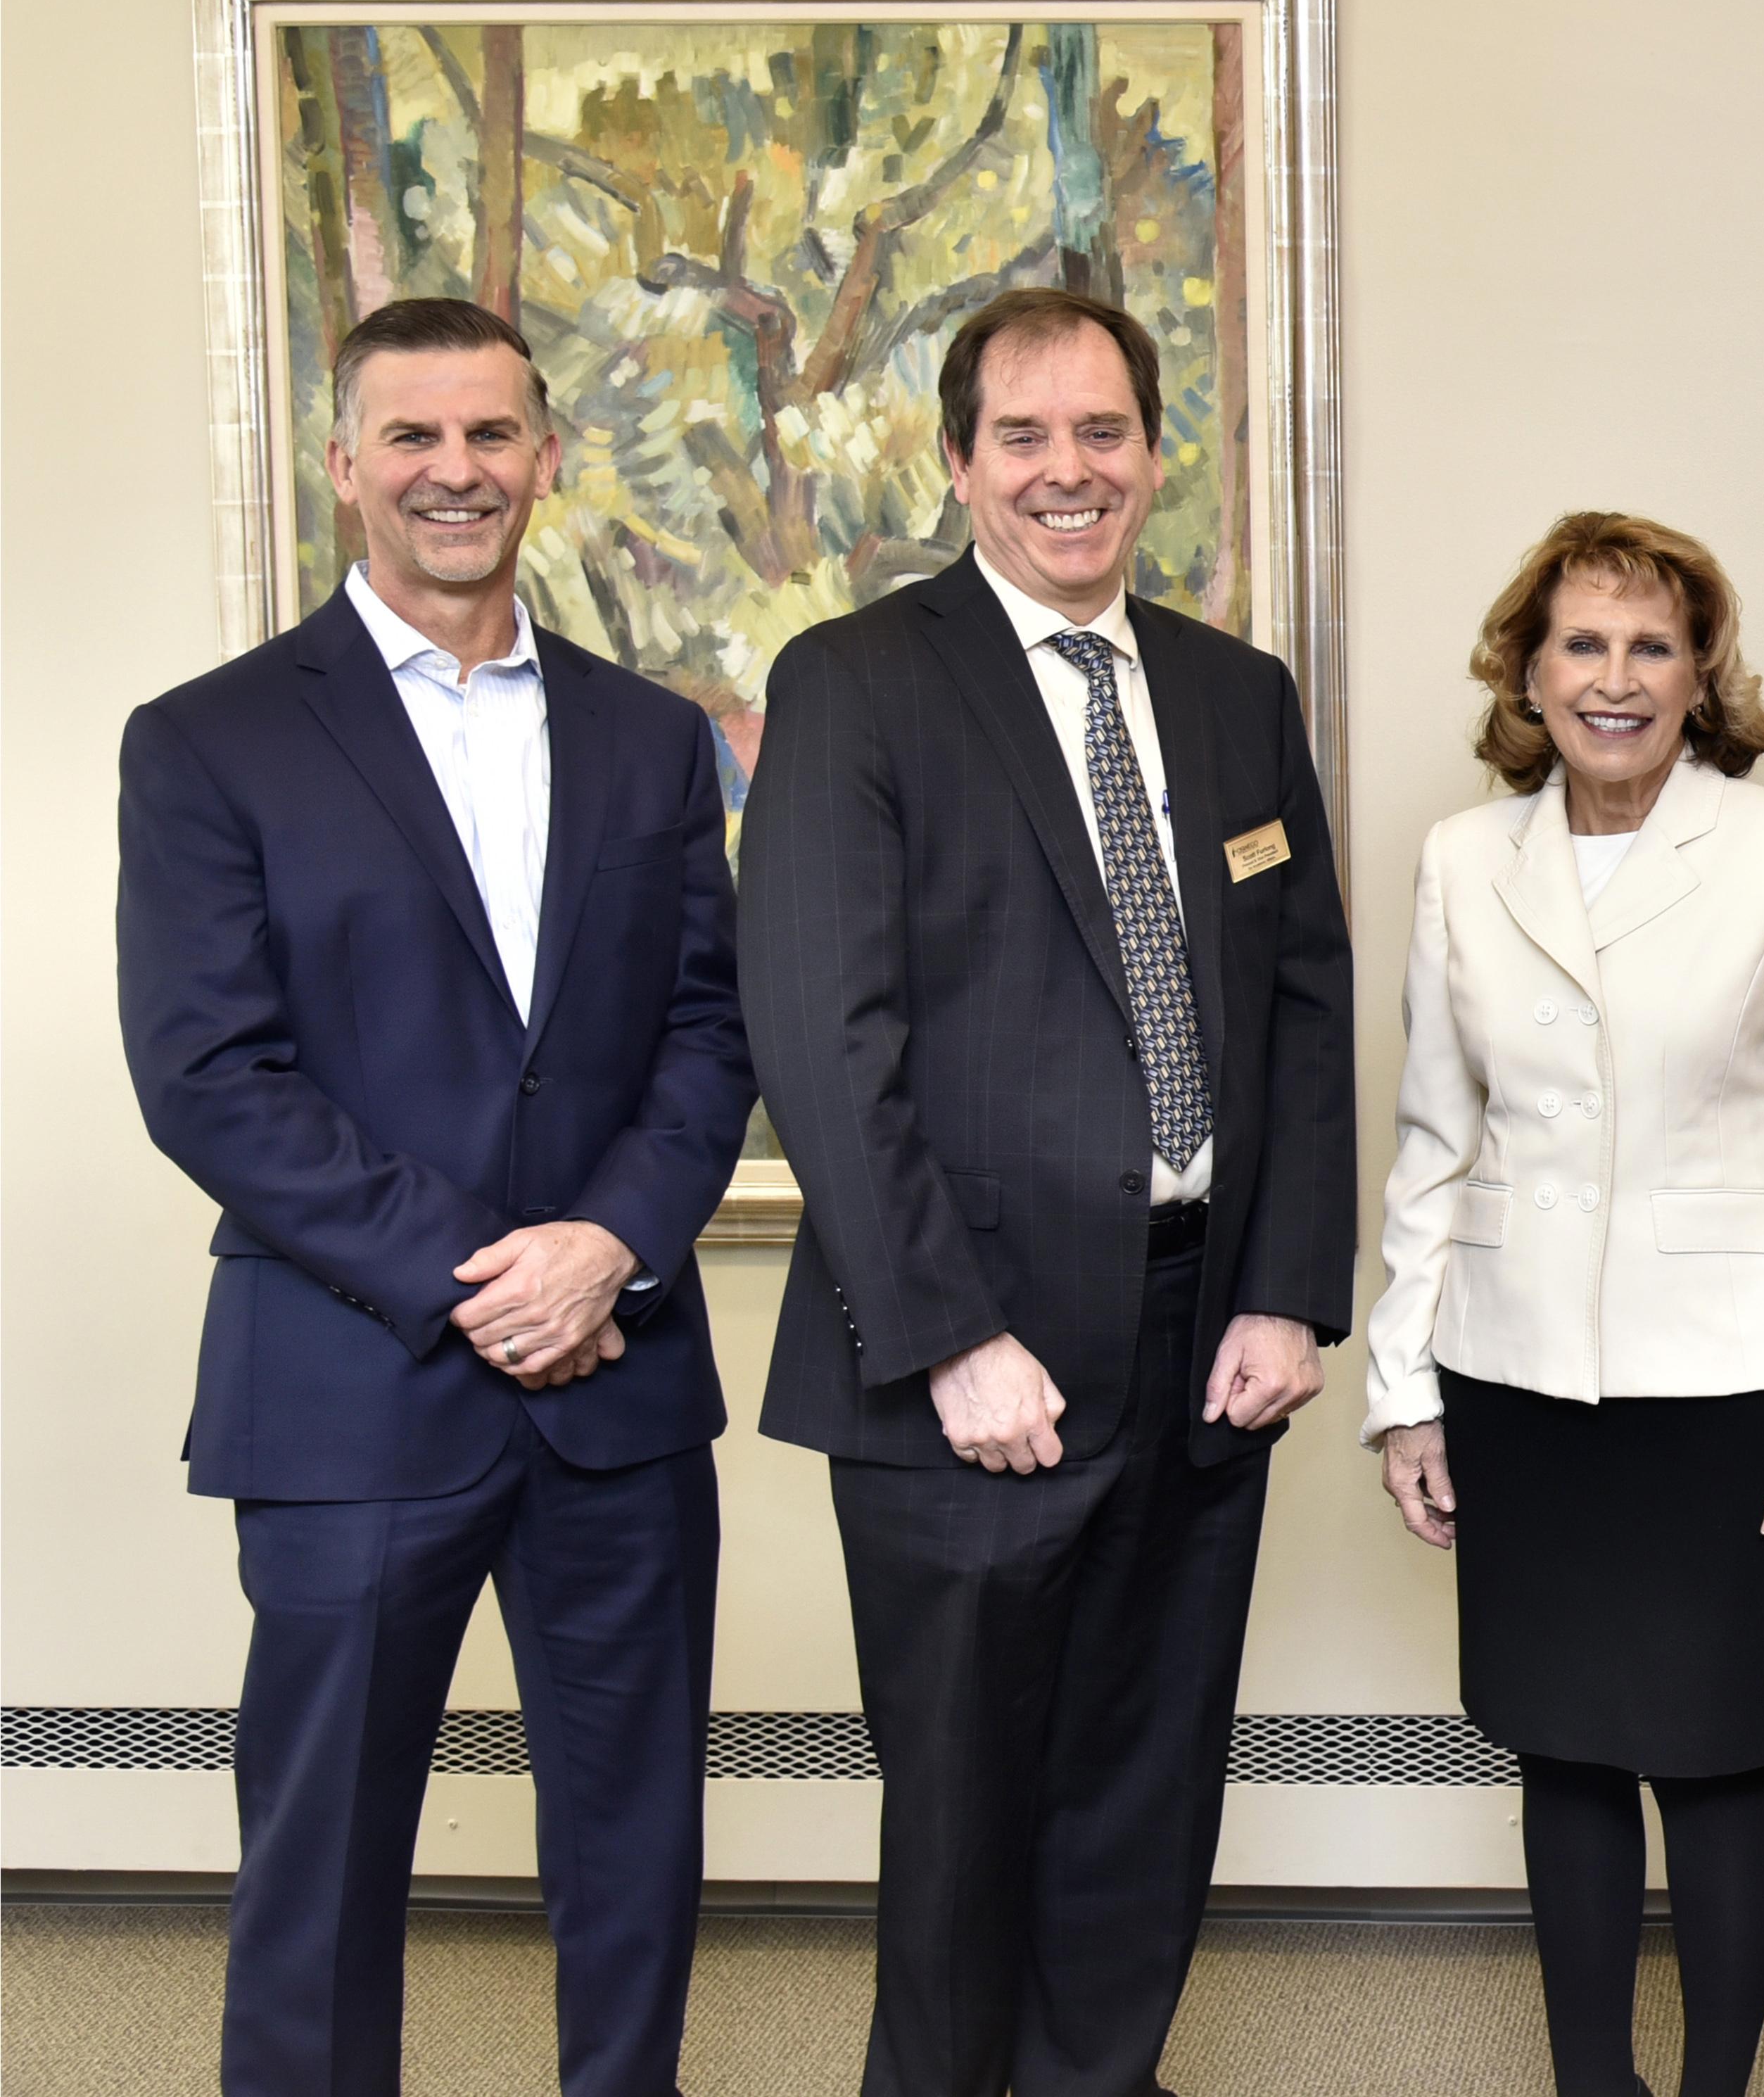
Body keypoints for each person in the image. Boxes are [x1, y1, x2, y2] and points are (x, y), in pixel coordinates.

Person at [117, 296, 754, 2097]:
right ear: (344, 468)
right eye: (412, 436)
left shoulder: (649, 740)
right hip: (347, 1387)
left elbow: (711, 1034)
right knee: (318, 1875)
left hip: (617, 1393)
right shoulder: (210, 741)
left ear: (545, 459)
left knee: (632, 1859)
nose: (453, 471)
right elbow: (210, 1076)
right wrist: (492, 1277)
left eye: (489, 435)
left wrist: (610, 1246)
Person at [739, 286, 1357, 2097]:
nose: (1067, 472)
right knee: (963, 1822)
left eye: (1103, 433)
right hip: (972, 1366)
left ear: (1153, 455)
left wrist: (1280, 1286)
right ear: (958, 462)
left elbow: (1301, 1007)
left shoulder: (1236, 696)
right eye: (1024, 436)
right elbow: (822, 1034)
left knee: (1143, 1796)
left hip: (1197, 1349)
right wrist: (949, 1335)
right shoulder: (856, 682)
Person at [1366, 512, 1764, 2097]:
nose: (1615, 678)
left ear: (1699, 673)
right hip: (1516, 1374)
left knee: (1716, 1760)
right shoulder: (1467, 859)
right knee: (1564, 1748)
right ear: (1527, 670)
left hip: (1724, 1387)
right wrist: (1403, 1384)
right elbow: (1431, 1139)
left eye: (1651, 645)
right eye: (1582, 644)